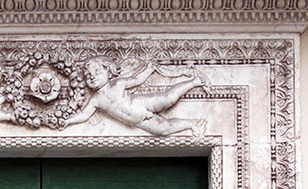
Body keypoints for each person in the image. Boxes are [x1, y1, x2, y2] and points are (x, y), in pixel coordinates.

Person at [64, 57, 209, 138]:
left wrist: (148, 69)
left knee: (168, 99)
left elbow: (136, 79)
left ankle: (194, 81)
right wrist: (68, 122)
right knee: (163, 130)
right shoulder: (96, 99)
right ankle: (193, 123)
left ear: (108, 71)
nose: (92, 77)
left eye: (96, 72)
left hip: (142, 105)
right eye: (88, 76)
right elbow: (83, 114)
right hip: (137, 121)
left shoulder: (117, 83)